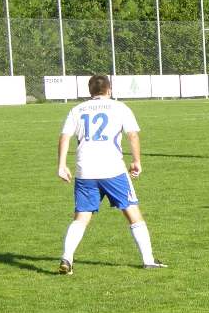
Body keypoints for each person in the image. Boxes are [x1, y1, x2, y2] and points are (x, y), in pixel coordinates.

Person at [56, 74, 165, 274]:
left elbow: (64, 137)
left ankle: (67, 257)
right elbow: (132, 135)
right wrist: (137, 161)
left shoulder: (77, 110)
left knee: (81, 217)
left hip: (85, 170)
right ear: (109, 89)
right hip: (113, 169)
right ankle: (148, 260)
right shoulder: (120, 107)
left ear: (90, 91)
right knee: (133, 213)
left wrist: (62, 165)